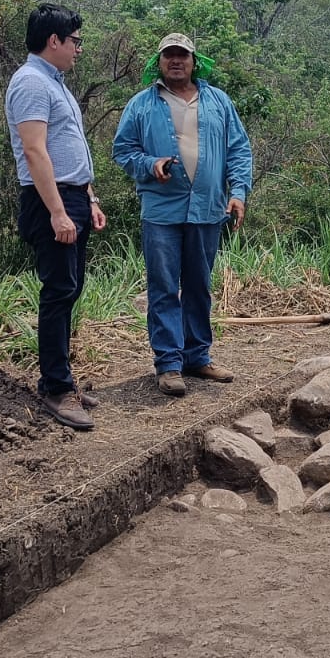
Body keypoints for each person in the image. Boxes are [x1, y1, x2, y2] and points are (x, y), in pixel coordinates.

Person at [112, 32, 253, 397]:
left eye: (183, 55)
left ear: (194, 61)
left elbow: (238, 149)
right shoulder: (142, 104)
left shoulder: (218, 101)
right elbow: (123, 150)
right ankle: (169, 364)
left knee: (198, 286)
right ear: (159, 62)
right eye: (169, 56)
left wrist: (238, 192)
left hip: (207, 208)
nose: (176, 61)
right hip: (161, 210)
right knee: (163, 288)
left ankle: (198, 357)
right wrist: (149, 163)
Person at [6, 3, 107, 431]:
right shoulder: (30, 82)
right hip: (50, 201)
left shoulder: (55, 83)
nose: (78, 48)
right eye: (75, 41)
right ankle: (55, 388)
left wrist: (89, 198)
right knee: (58, 289)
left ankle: (61, 379)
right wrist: (58, 212)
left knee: (70, 289)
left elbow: (67, 148)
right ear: (54, 41)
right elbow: (35, 151)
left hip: (72, 197)